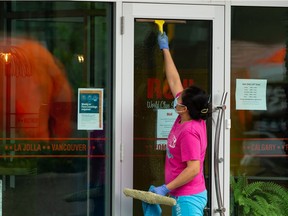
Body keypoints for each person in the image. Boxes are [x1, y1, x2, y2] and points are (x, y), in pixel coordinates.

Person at [150, 31, 210, 216]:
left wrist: (165, 188)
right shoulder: (184, 116)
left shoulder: (190, 132)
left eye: (180, 99)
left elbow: (193, 169)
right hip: (181, 195)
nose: (177, 96)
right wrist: (165, 49)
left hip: (188, 198)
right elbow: (175, 80)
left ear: (184, 108)